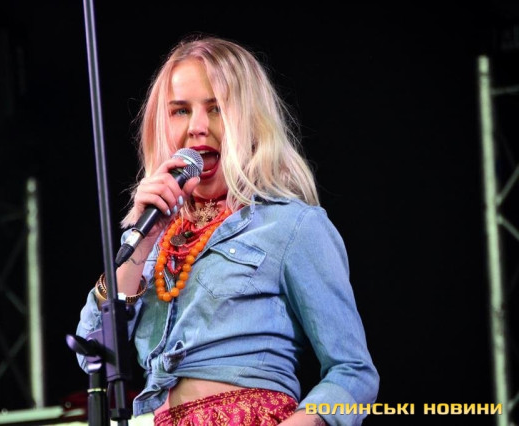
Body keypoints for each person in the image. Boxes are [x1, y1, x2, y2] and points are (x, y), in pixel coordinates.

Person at [76, 34, 379, 425]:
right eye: (180, 111)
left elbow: (353, 372)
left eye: (216, 108)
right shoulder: (151, 237)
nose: (198, 127)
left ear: (251, 120)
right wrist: (143, 239)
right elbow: (94, 355)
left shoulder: (292, 226)